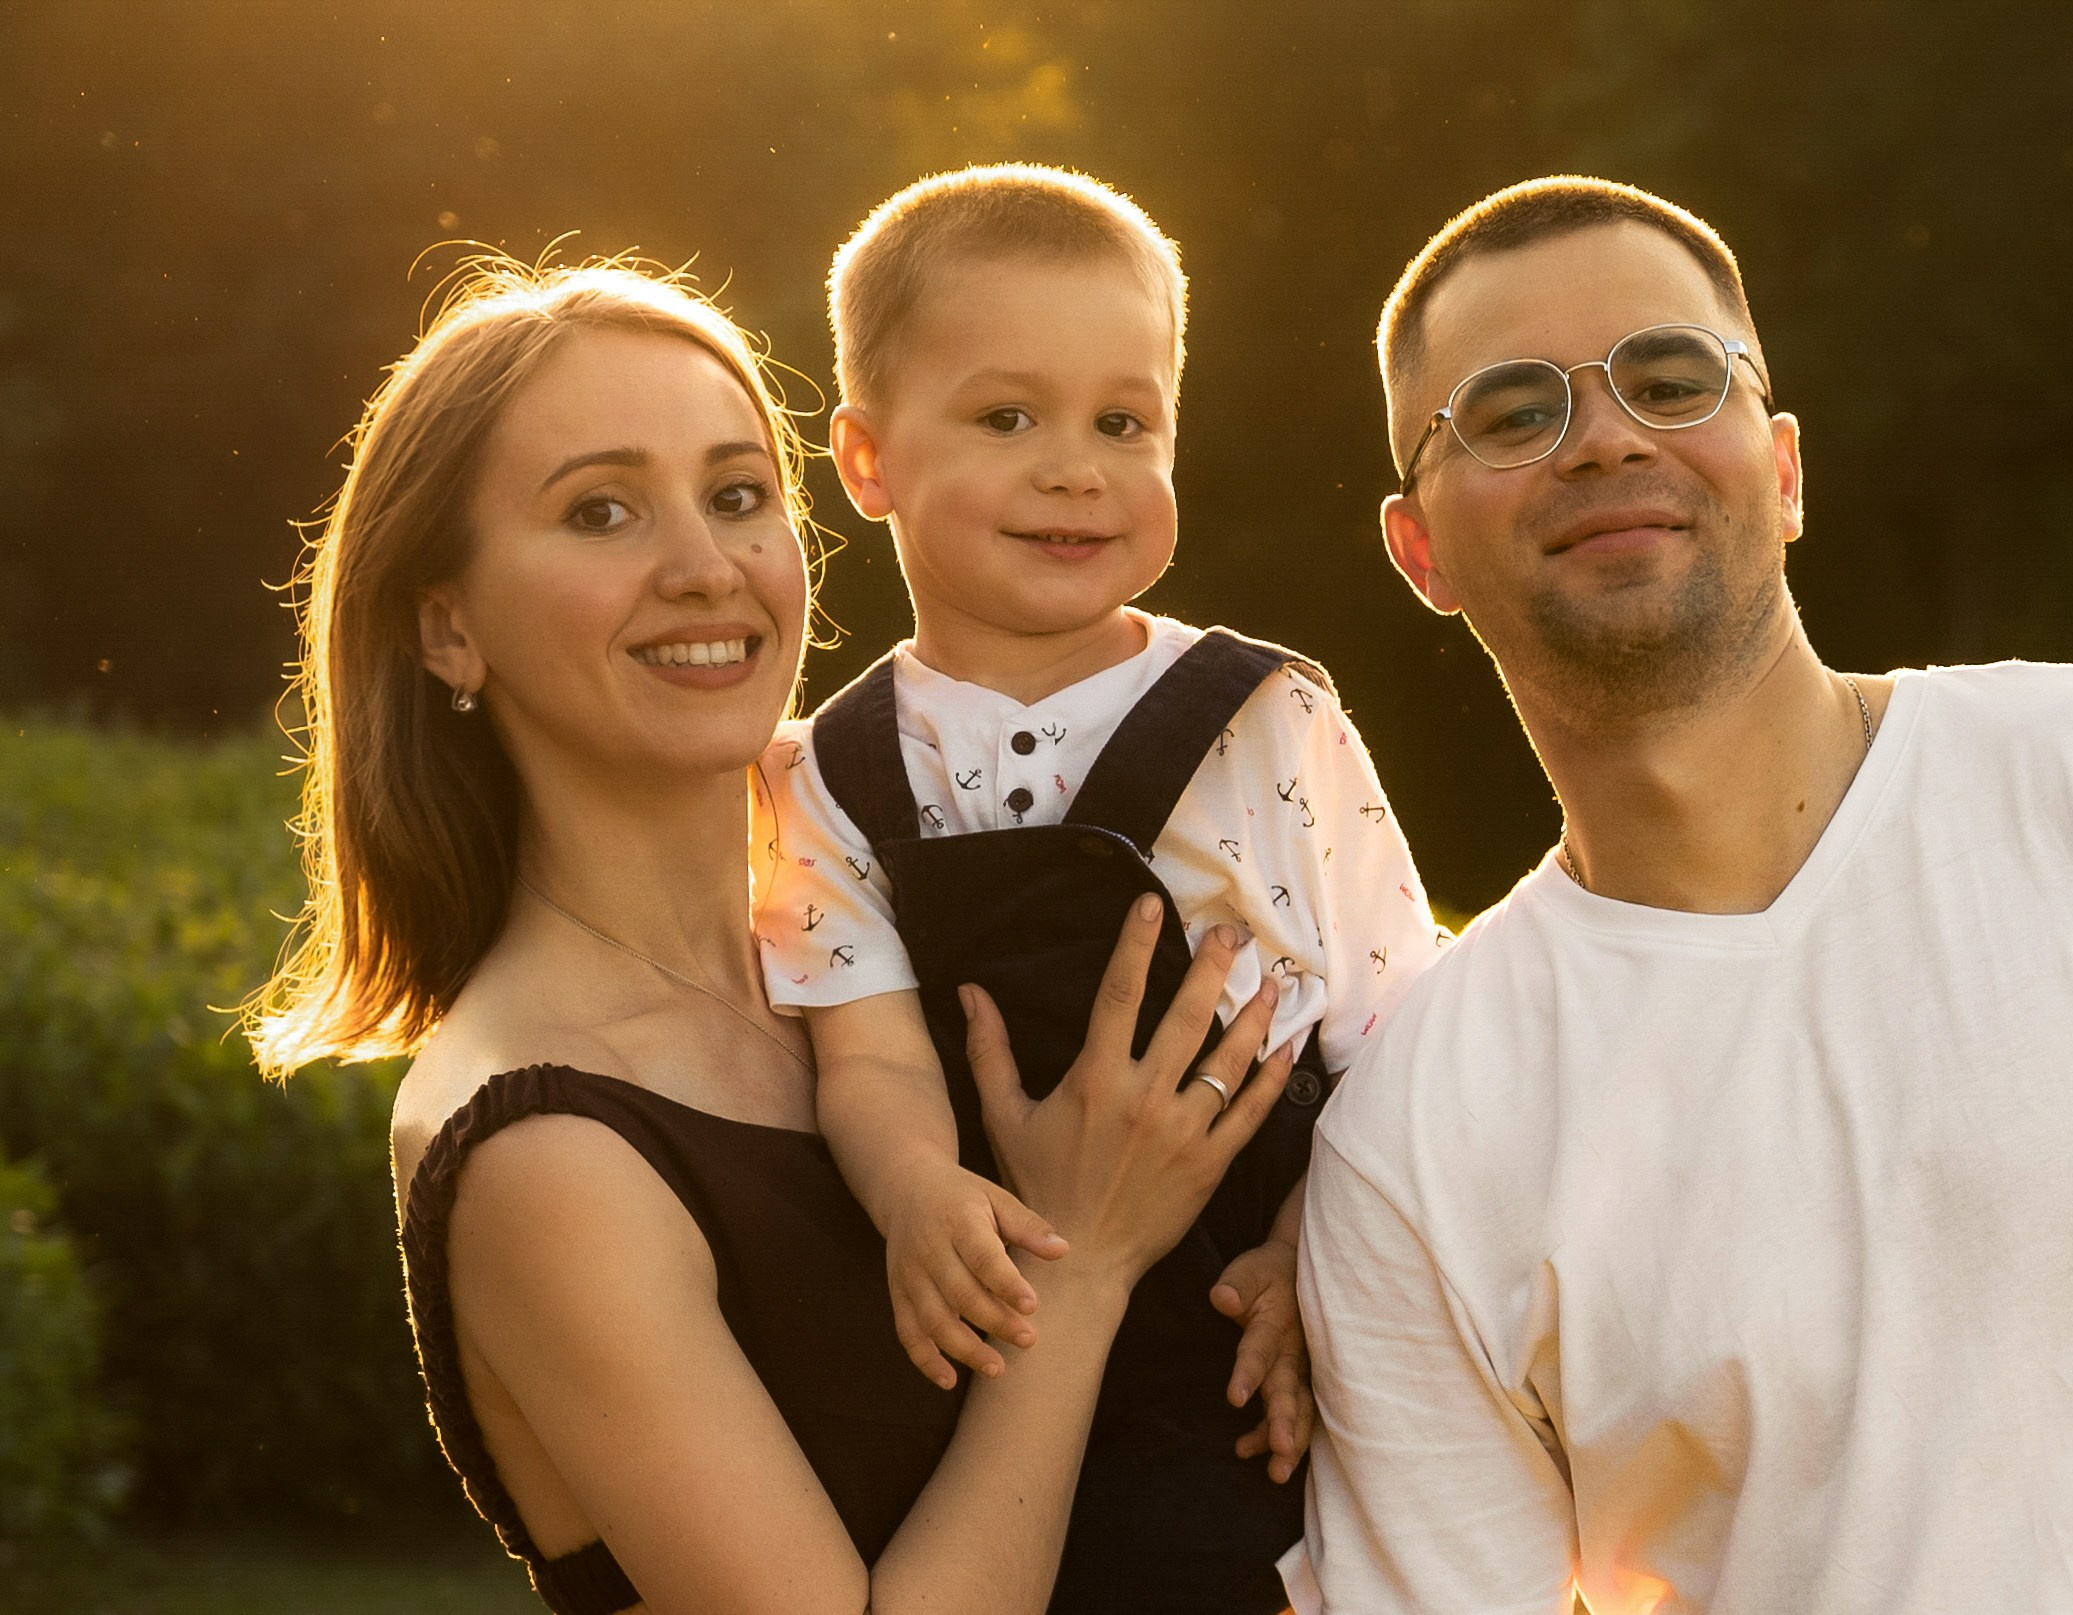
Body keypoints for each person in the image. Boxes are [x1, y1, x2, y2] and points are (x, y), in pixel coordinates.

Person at [1286, 175, 2073, 1615]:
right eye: (1514, 412)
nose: (1609, 436)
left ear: (1783, 470)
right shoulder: (1411, 1138)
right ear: (1421, 553)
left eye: (1670, 378)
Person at [244, 255, 1297, 1615]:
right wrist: (1083, 1265)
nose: (705, 569)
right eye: (602, 511)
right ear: (447, 628)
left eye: (739, 496)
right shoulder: (541, 1150)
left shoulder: (932, 917)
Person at [750, 164, 1444, 1614]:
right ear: (867, 461)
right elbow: (869, 1051)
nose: (1076, 469)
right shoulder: (827, 772)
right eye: (1008, 418)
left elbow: (1397, 1029)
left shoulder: (1267, 716)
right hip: (996, 1329)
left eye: (1124, 424)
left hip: (1259, 1327)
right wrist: (916, 1191)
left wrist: (1310, 1249)